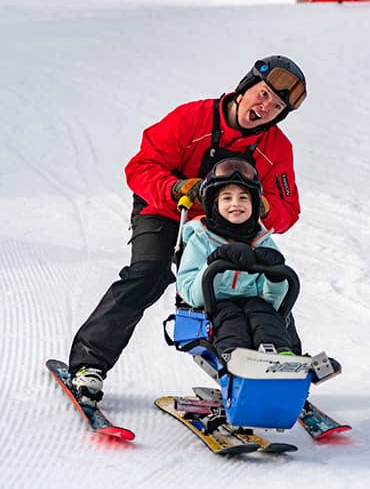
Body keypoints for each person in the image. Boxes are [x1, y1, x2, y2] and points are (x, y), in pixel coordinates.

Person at [68, 55, 307, 406]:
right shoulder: (191, 118)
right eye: (263, 93)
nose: (266, 106)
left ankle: (285, 370)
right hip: (168, 209)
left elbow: (288, 209)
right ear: (245, 88)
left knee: (263, 282)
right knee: (148, 274)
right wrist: (177, 188)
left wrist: (261, 208)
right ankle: (89, 365)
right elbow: (141, 166)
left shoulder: (276, 148)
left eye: (276, 105)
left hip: (229, 223)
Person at [176, 158, 294, 358]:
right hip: (213, 306)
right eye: (227, 198)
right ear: (214, 204)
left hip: (253, 303)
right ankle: (235, 354)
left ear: (254, 203)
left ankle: (279, 354)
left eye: (243, 198)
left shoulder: (262, 241)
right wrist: (216, 261)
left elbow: (273, 301)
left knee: (263, 313)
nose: (235, 204)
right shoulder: (201, 240)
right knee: (229, 315)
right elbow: (191, 295)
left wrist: (275, 277)